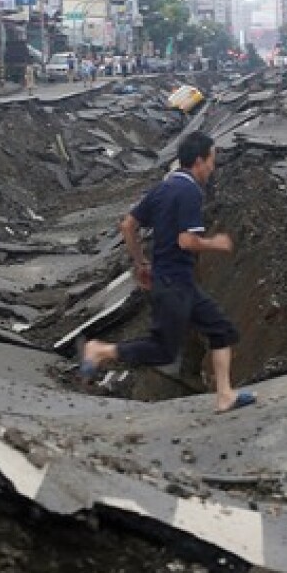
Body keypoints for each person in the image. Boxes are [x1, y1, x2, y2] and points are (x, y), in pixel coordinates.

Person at [79, 131, 254, 415]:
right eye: (212, 161)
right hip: (175, 283)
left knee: (221, 330)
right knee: (163, 350)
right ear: (199, 161)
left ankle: (225, 396)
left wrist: (140, 263)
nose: (213, 168)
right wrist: (216, 243)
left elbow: (127, 226)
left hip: (174, 280)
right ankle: (100, 351)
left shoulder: (164, 187)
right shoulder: (190, 192)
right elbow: (187, 240)